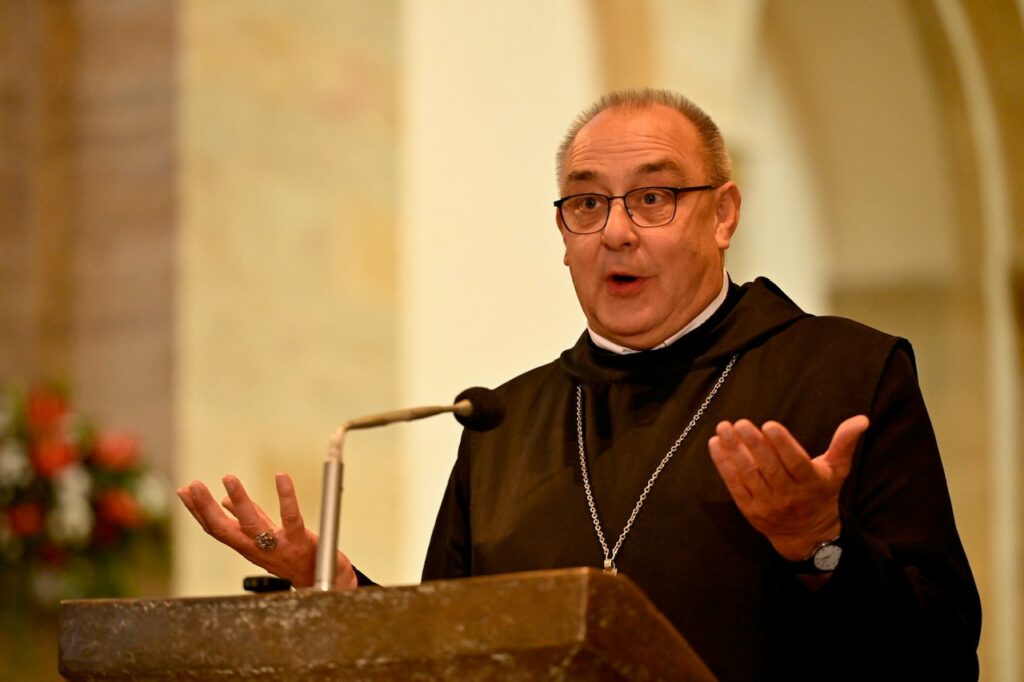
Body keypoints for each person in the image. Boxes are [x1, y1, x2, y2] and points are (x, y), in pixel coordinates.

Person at [178, 89, 981, 680]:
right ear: (564, 233)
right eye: (588, 204)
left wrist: (820, 545)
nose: (617, 231)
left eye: (655, 198)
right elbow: (449, 654)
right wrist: (341, 592)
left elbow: (944, 654)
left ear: (724, 213)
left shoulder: (846, 372)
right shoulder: (502, 420)